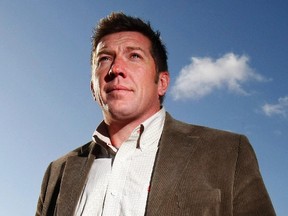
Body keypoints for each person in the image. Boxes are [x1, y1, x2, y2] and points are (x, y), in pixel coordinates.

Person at [36, 12, 275, 216]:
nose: (116, 69)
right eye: (105, 58)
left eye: (134, 56)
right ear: (93, 87)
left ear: (161, 82)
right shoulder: (58, 171)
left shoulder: (228, 152)